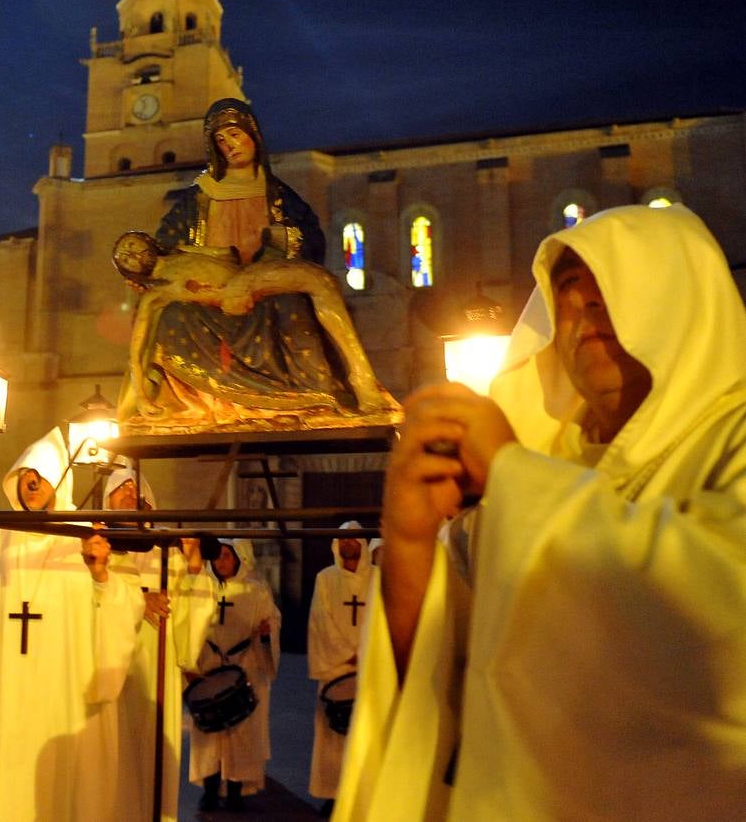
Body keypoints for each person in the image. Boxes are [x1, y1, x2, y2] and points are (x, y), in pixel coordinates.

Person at [335, 204, 746, 820]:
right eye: (568, 298)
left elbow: (717, 626)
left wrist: (510, 474)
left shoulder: (730, 436)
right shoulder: (538, 459)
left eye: (608, 290)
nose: (583, 314)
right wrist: (413, 544)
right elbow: (444, 672)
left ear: (682, 299)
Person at [118, 97, 389, 426]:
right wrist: (142, 275)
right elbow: (163, 246)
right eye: (220, 140)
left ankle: (318, 396)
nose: (229, 146)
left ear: (253, 135)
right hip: (208, 298)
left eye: (234, 135)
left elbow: (310, 239)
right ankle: (194, 403)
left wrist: (276, 249)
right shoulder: (198, 198)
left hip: (267, 289)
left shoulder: (278, 195)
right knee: (171, 316)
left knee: (293, 304)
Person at [0, 428, 144, 822]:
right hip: (13, 693)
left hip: (66, 695)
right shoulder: (3, 536)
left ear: (59, 479)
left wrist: (101, 573)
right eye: (24, 475)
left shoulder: (83, 535)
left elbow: (124, 605)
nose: (31, 482)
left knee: (66, 795)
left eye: (39, 474)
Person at [106, 469, 214, 822]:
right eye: (120, 488)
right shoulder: (92, 550)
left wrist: (195, 567)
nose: (129, 492)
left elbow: (190, 619)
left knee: (152, 765)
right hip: (109, 676)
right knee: (110, 761)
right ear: (106, 501)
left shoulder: (167, 556)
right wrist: (140, 599)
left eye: (136, 488)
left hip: (156, 675)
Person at [189, 539, 281, 812]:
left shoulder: (256, 590)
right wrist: (190, 663)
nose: (222, 561)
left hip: (245, 665)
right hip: (209, 664)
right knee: (210, 733)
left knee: (241, 732)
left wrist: (267, 633)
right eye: (218, 556)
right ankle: (209, 789)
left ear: (238, 559)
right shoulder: (201, 588)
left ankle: (236, 792)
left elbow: (271, 621)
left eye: (228, 556)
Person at [307, 521, 373, 813]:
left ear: (363, 544)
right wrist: (348, 653)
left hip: (370, 667)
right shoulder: (325, 578)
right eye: (343, 539)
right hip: (335, 668)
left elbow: (383, 617)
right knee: (333, 735)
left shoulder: (379, 579)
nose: (348, 543)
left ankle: (364, 791)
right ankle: (332, 793)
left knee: (366, 731)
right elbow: (320, 620)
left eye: (354, 539)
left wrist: (367, 652)